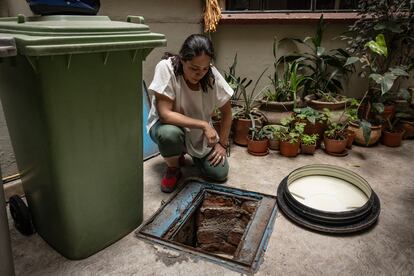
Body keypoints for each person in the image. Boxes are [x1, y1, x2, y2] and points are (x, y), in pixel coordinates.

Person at [147, 34, 234, 193]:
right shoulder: (167, 68)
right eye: (194, 68)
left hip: (196, 134)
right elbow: (165, 114)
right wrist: (203, 125)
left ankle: (186, 152)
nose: (199, 74)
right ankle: (173, 167)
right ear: (182, 59)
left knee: (219, 173)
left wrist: (222, 144)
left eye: (205, 68)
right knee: (169, 135)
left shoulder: (211, 75)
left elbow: (227, 113)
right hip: (168, 126)